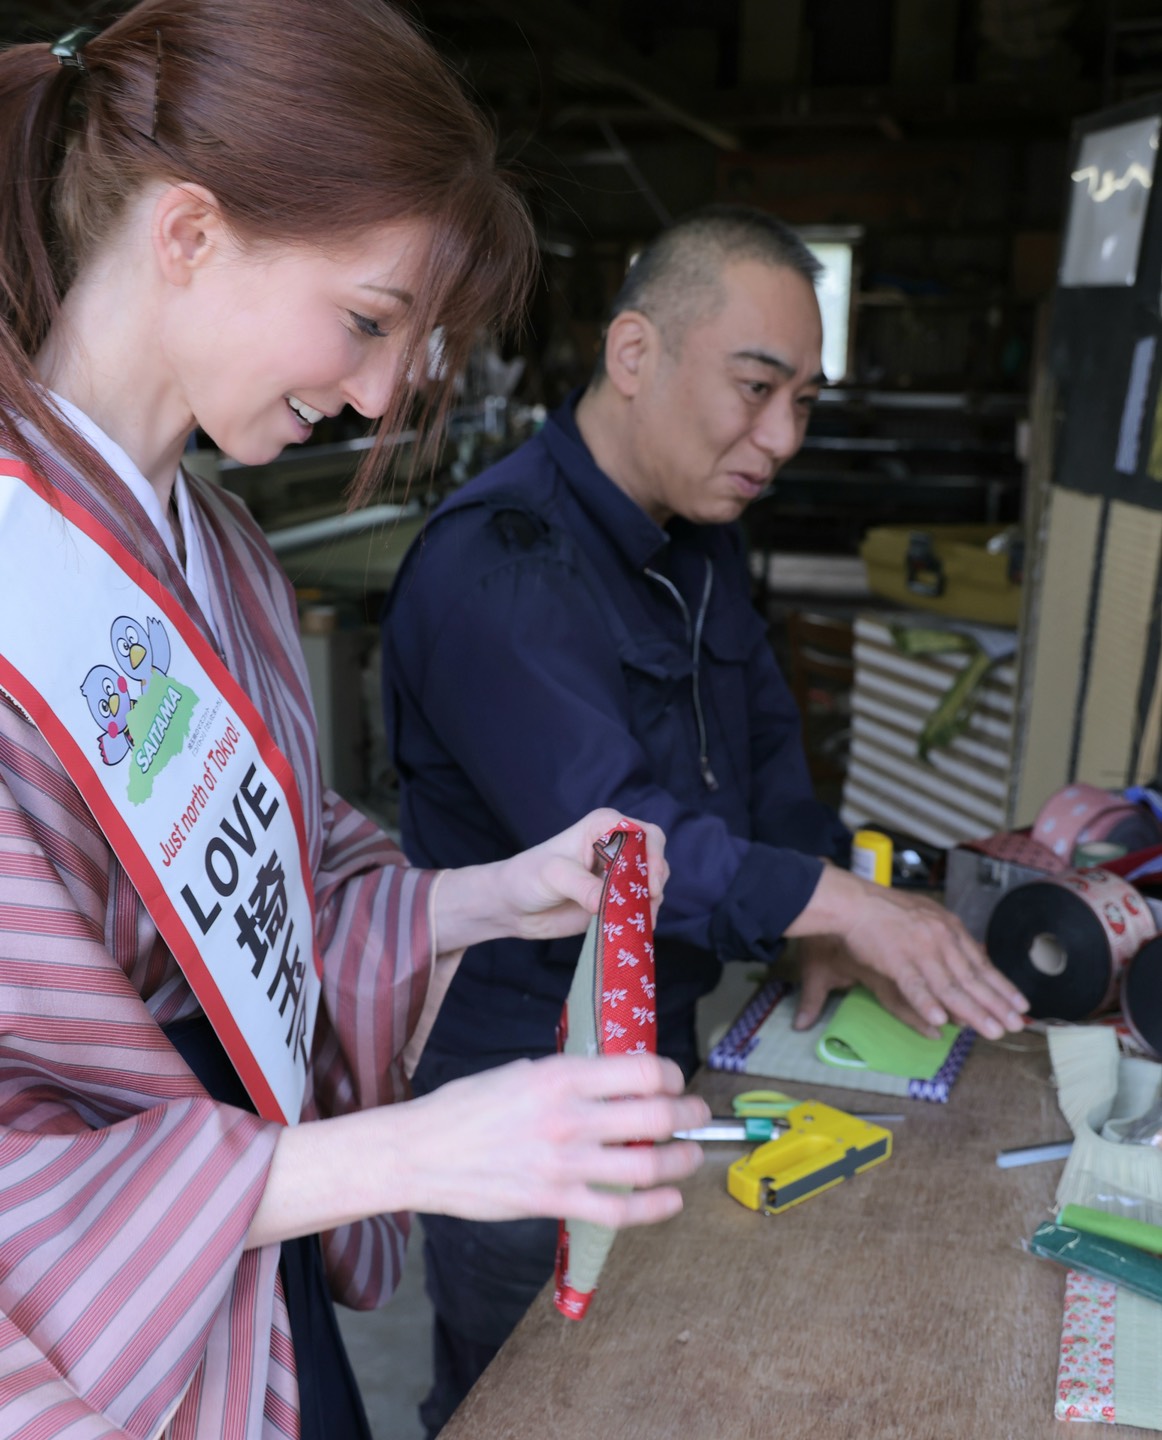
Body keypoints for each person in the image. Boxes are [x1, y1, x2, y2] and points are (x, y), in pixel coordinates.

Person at [0, 4, 711, 1436]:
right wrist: (410, 1152)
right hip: (130, 1311)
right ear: (188, 234)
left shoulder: (227, 553)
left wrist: (479, 901)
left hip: (235, 1254)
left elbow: (271, 896)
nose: (383, 390)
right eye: (370, 319)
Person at [381, 204, 1031, 1433]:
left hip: (666, 1035)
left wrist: (814, 912)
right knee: (525, 1392)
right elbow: (619, 846)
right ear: (635, 355)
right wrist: (840, 903)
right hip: (517, 1073)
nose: (780, 437)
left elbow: (766, 760)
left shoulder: (695, 540)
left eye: (805, 401)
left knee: (647, 1379)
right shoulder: (500, 569)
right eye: (754, 387)